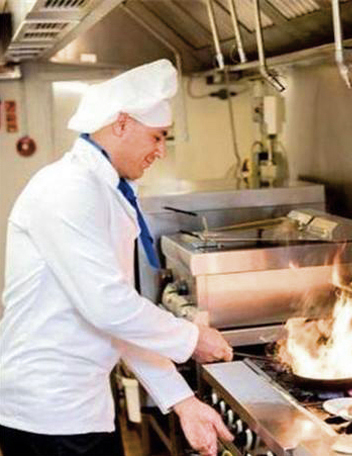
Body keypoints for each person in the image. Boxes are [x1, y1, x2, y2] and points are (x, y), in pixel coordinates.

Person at [0, 59, 233, 456]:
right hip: (49, 415)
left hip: (80, 408)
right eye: (157, 137)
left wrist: (182, 400)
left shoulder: (103, 188)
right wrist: (191, 338)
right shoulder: (68, 189)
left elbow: (119, 317)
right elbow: (109, 307)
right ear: (122, 124)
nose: (161, 151)